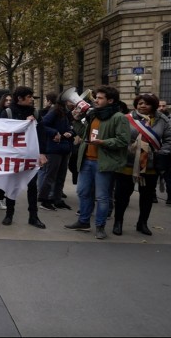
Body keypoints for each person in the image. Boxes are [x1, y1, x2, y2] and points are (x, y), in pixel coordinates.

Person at [65, 85, 130, 239]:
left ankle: (100, 226)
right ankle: (84, 221)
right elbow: (83, 133)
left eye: (100, 98)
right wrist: (75, 120)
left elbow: (123, 140)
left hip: (103, 162)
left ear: (111, 100)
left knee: (102, 197)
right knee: (83, 192)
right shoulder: (93, 115)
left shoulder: (118, 117)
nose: (96, 100)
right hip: (86, 160)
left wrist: (104, 142)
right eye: (96, 97)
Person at [112, 93, 171, 236]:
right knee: (122, 196)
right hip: (127, 163)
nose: (142, 105)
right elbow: (117, 138)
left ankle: (142, 223)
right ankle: (118, 222)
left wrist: (159, 153)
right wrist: (131, 148)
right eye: (140, 103)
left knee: (147, 196)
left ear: (154, 105)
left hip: (150, 165)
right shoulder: (126, 119)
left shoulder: (162, 120)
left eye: (146, 103)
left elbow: (169, 140)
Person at [0, 86, 47, 229]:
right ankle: (9, 214)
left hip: (30, 155)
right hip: (14, 155)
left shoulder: (35, 113)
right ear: (20, 98)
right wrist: (23, 124)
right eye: (29, 97)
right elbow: (2, 133)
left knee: (32, 186)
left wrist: (42, 153)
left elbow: (41, 133)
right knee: (12, 184)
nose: (31, 99)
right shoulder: (8, 112)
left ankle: (33, 216)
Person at [38, 96, 75, 211]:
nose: (73, 102)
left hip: (64, 148)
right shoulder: (55, 111)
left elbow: (69, 127)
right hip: (54, 148)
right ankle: (44, 200)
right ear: (65, 101)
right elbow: (43, 125)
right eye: (70, 100)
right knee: (51, 175)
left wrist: (70, 132)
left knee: (61, 176)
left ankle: (57, 199)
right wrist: (55, 133)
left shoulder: (66, 112)